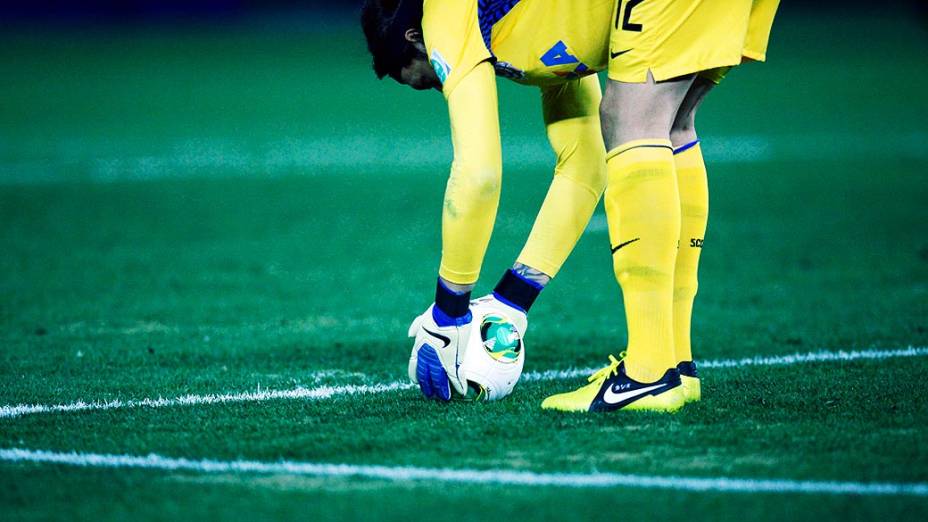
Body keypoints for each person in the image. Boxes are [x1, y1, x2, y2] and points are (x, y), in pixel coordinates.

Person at [360, 0, 778, 411]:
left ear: (414, 37)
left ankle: (648, 375)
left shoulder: (444, 13)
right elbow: (585, 162)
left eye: (430, 79)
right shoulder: (537, 22)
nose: (444, 85)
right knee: (671, 125)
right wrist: (512, 300)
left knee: (631, 119)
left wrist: (448, 313)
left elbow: (479, 174)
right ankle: (675, 367)